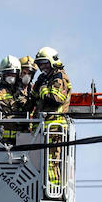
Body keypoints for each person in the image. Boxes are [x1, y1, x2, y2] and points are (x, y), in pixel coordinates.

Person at [30, 47, 72, 189]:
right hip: (43, 128)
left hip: (54, 127)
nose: (42, 67)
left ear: (53, 61)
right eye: (40, 64)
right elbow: (34, 96)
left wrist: (42, 89)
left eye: (45, 63)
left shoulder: (59, 77)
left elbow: (56, 98)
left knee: (52, 162)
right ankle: (42, 188)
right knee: (39, 162)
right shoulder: (44, 78)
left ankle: (53, 189)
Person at [0, 55, 29, 145]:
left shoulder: (25, 89)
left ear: (18, 74)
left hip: (25, 139)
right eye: (7, 74)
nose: (10, 76)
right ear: (2, 74)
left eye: (12, 73)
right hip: (5, 141)